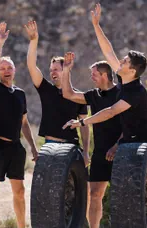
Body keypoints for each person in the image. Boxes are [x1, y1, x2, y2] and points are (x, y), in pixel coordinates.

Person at [62, 3, 147, 228]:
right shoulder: (124, 80)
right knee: (122, 192)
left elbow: (110, 112)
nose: (121, 61)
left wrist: (82, 121)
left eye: (125, 60)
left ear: (132, 69)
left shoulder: (136, 91)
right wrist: (96, 25)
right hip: (128, 143)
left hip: (144, 142)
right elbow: (108, 49)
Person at [0, 22, 38, 228]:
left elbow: (24, 123)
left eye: (10, 67)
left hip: (16, 148)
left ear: (15, 70)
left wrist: (34, 149)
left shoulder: (20, 94)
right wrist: (0, 42)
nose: (6, 70)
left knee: (19, 190)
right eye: (3, 67)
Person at [60, 58, 122, 228]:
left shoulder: (122, 93)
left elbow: (131, 124)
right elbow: (68, 94)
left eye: (94, 74)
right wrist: (66, 71)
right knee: (95, 193)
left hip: (122, 150)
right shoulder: (93, 95)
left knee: (122, 194)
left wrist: (117, 146)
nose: (91, 77)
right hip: (100, 152)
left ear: (104, 75)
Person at [24, 20, 90, 164]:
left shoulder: (79, 96)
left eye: (56, 69)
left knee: (74, 185)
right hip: (50, 146)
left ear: (65, 70)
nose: (52, 72)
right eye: (51, 70)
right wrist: (34, 40)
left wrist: (85, 152)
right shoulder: (45, 89)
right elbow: (31, 65)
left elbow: (84, 126)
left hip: (72, 146)